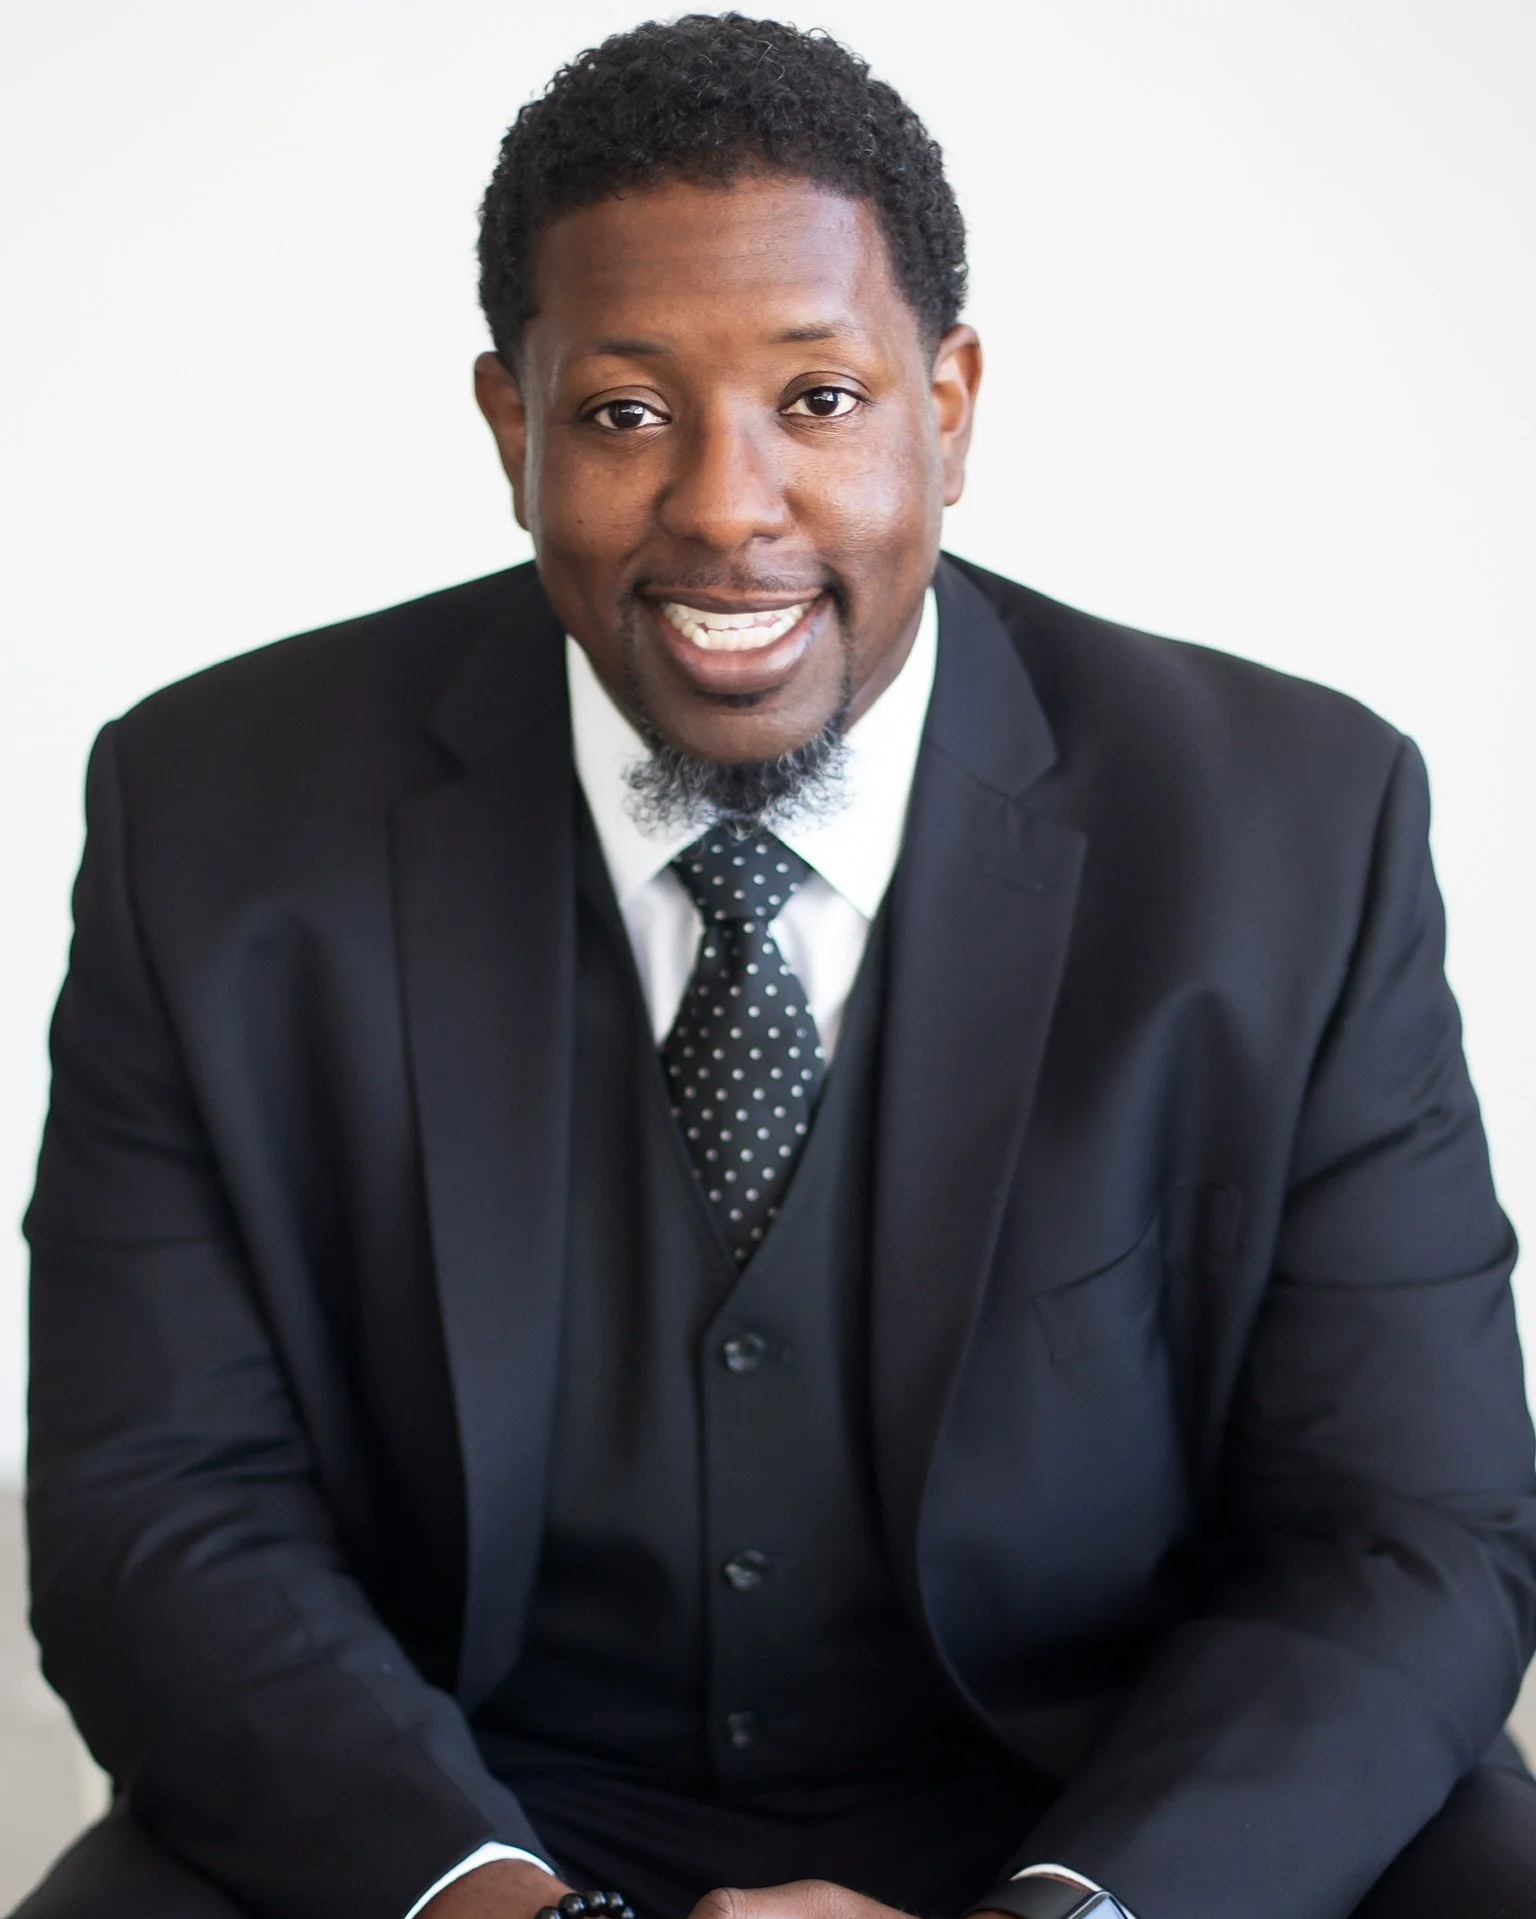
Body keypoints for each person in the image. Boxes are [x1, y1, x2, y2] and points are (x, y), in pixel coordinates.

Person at [16, 14, 1536, 1919]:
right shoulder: (213, 814)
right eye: (628, 412)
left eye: (819, 400)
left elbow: (1410, 1535)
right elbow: (154, 1509)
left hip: (1098, 1805)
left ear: (950, 405)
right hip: (479, 1808)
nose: (729, 507)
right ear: (513, 427)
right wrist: (507, 1902)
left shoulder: (1294, 828)